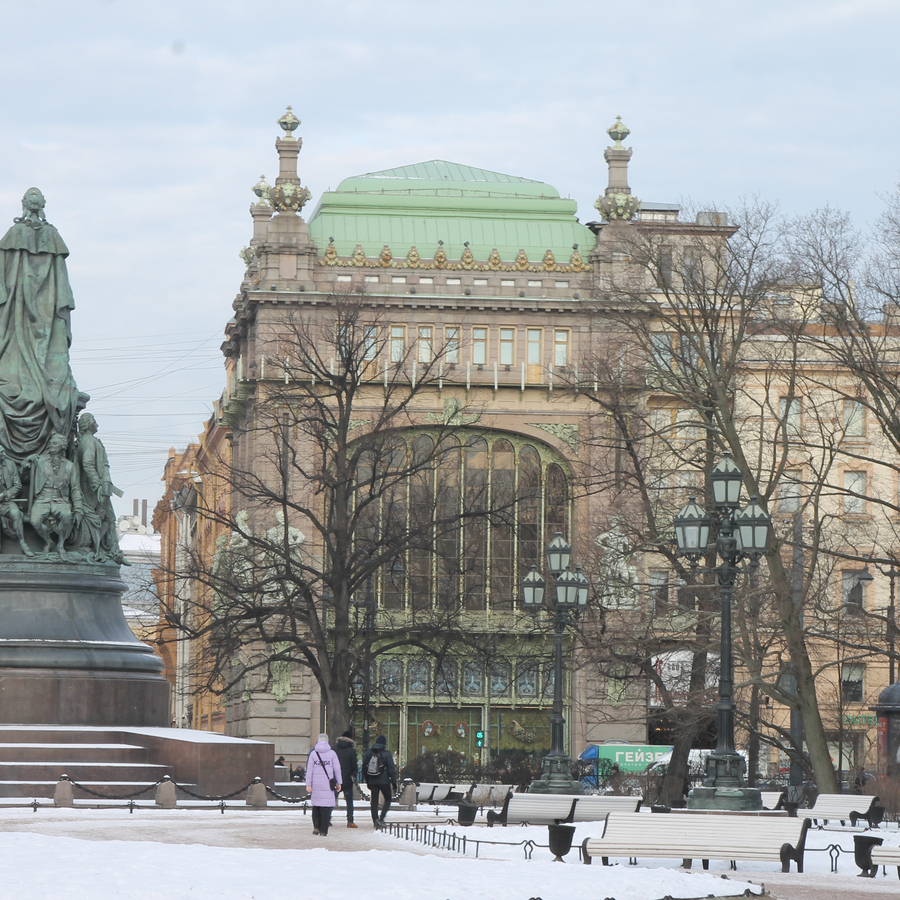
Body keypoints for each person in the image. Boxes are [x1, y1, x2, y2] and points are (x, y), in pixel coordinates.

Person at [0, 189, 80, 461]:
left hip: (16, 310)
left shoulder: (12, 237)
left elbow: (4, 284)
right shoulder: (53, 238)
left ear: (25, 206)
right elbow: (61, 290)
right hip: (27, 313)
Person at [25, 432, 84, 560]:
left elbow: (75, 488)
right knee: (34, 520)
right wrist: (26, 462)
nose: (52, 445)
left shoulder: (70, 466)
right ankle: (49, 541)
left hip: (59, 499)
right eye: (51, 443)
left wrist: (78, 508)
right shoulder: (39, 461)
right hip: (43, 498)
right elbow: (25, 475)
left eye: (55, 443)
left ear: (62, 446)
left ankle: (60, 545)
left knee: (67, 515)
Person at [75, 412, 124, 563]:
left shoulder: (88, 440)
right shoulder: (89, 441)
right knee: (104, 518)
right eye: (94, 421)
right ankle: (96, 548)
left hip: (100, 486)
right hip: (95, 488)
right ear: (88, 424)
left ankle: (104, 549)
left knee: (106, 518)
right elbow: (88, 464)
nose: (97, 424)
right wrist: (97, 485)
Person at [305, 733, 341, 836]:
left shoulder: (313, 754)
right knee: (325, 807)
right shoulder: (332, 754)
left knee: (316, 806)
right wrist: (339, 782)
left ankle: (316, 826)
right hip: (327, 785)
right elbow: (337, 769)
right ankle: (323, 831)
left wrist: (308, 784)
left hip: (316, 784)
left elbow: (309, 770)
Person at [0, 444, 32, 556]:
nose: (4, 455)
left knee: (16, 513)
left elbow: (18, 486)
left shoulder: (10, 464)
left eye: (3, 452)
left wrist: (5, 494)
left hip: (8, 501)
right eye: (1, 453)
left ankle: (23, 544)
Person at [362, 733, 397, 828]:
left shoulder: (369, 753)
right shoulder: (386, 753)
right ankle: (381, 818)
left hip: (373, 780)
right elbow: (391, 769)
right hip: (384, 781)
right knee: (388, 798)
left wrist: (367, 780)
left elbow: (364, 768)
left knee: (374, 801)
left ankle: (375, 820)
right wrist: (394, 783)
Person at [334, 730, 359, 828]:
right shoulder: (351, 751)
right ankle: (350, 820)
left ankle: (327, 819)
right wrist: (353, 776)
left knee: (332, 799)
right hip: (347, 779)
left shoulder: (334, 749)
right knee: (349, 801)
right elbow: (354, 766)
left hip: (336, 780)